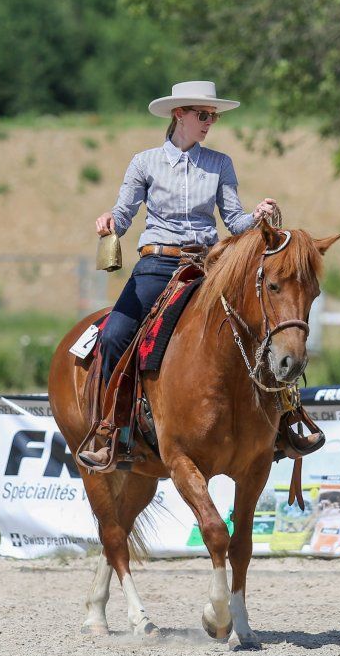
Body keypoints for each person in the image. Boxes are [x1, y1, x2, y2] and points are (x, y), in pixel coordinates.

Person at [82, 81, 277, 468]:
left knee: (263, 323)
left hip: (209, 265)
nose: (210, 122)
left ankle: (282, 420)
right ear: (179, 115)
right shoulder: (144, 162)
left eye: (213, 116)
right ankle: (109, 430)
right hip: (157, 263)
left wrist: (256, 216)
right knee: (117, 332)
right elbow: (124, 215)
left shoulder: (220, 164)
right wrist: (110, 222)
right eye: (203, 115)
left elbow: (235, 222)